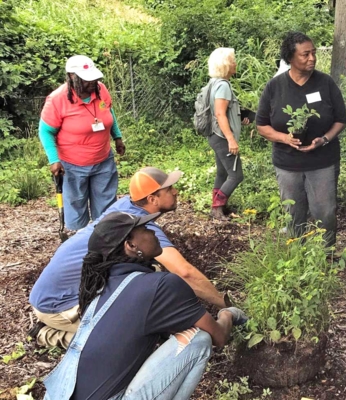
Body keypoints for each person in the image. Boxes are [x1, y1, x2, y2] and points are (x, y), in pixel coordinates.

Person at [43, 211, 247, 399]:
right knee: (198, 339)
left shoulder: (99, 287)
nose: (153, 231)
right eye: (145, 229)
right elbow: (219, 337)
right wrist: (228, 314)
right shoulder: (162, 285)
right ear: (131, 246)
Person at [29, 167, 230, 349]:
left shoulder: (127, 205)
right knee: (133, 339)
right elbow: (185, 273)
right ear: (152, 199)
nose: (176, 192)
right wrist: (225, 304)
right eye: (169, 189)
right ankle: (49, 334)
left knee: (152, 275)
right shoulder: (138, 229)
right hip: (59, 304)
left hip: (69, 288)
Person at [256, 32, 346, 247]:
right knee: (293, 212)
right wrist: (284, 138)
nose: (312, 58)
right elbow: (262, 125)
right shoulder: (275, 87)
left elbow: (340, 120)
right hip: (288, 164)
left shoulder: (325, 83)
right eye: (305, 54)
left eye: (313, 53)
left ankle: (325, 254)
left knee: (324, 212)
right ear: (290, 57)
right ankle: (297, 253)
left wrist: (324, 139)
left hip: (322, 162)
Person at [39, 55, 126, 231]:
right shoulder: (57, 99)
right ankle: (79, 239)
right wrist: (54, 159)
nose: (93, 82)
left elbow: (109, 114)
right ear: (72, 77)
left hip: (103, 160)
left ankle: (104, 236)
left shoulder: (101, 89)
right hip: (73, 165)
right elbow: (45, 131)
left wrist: (117, 137)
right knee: (76, 205)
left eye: (94, 77)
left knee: (106, 204)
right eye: (87, 79)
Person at [207, 47, 249, 220]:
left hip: (215, 135)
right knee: (236, 175)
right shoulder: (223, 86)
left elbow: (223, 112)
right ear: (225, 64)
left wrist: (240, 118)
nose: (235, 63)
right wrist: (231, 139)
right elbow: (219, 113)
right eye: (233, 61)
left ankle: (220, 207)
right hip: (223, 137)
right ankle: (217, 207)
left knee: (222, 173)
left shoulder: (214, 83)